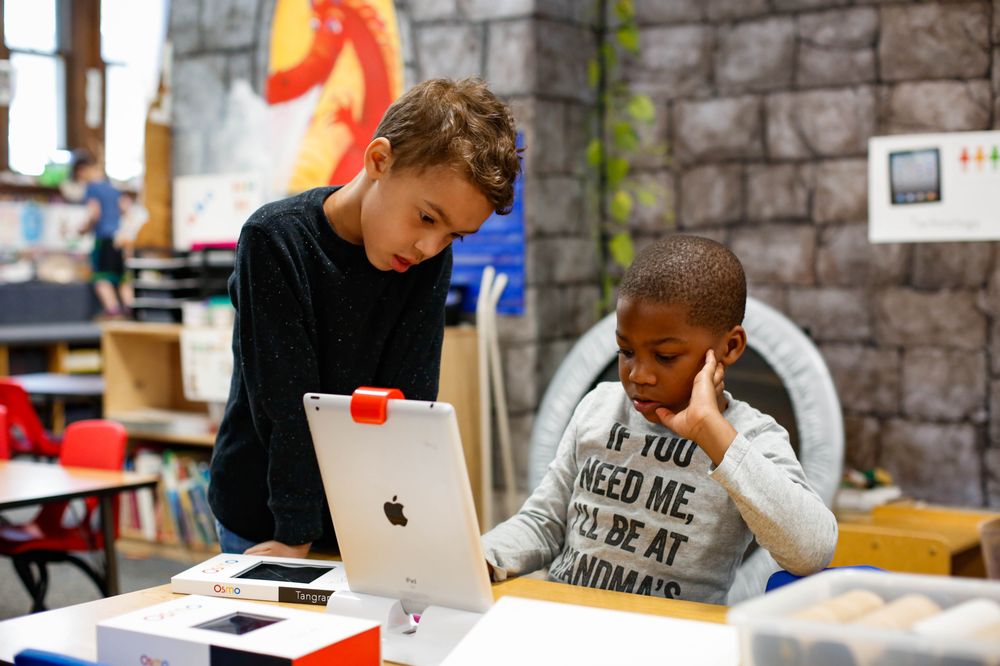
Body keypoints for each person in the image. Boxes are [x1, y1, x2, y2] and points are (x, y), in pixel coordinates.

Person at [208, 77, 521, 557]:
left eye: (453, 236)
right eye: (427, 218)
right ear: (379, 160)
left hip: (362, 518)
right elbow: (287, 409)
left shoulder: (426, 261)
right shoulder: (274, 240)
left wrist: (409, 523)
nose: (429, 248)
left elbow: (410, 402)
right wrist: (296, 538)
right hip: (267, 516)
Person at [481, 235, 837, 604]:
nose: (639, 374)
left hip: (672, 638)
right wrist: (480, 556)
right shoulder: (599, 407)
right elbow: (543, 525)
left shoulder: (750, 437)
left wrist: (711, 433)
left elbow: (812, 550)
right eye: (626, 351)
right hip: (571, 622)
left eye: (666, 356)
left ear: (729, 347)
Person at [74, 150, 132, 318]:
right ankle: (129, 309)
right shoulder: (113, 189)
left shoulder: (92, 189)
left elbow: (94, 212)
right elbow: (125, 209)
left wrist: (83, 229)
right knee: (121, 277)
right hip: (119, 238)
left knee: (101, 277)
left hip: (104, 238)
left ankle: (112, 310)